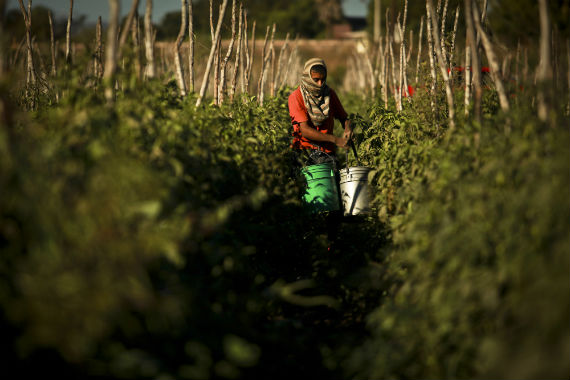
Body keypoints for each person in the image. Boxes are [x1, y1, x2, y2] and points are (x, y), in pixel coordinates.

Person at [287, 57, 353, 251]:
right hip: (305, 152)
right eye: (315, 79)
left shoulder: (329, 94)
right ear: (307, 76)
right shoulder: (296, 97)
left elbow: (344, 117)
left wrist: (347, 129)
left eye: (322, 79)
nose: (319, 83)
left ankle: (329, 245)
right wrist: (335, 139)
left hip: (327, 154)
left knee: (335, 205)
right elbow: (305, 130)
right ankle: (308, 244)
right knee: (311, 203)